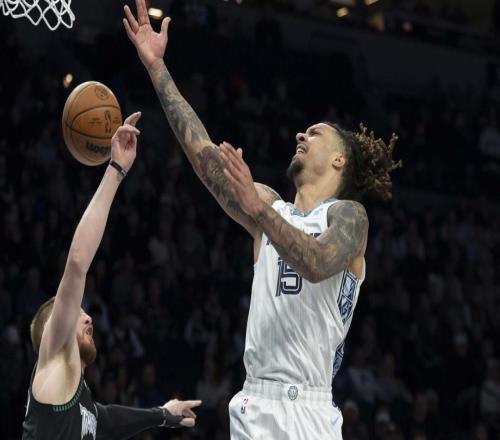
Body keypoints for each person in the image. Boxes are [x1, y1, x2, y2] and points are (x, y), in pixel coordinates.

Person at [123, 2, 400, 438]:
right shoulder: (270, 206)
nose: (301, 135)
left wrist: (259, 211)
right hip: (256, 402)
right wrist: (157, 68)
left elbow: (318, 263)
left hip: (310, 407)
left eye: (315, 133)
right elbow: (202, 156)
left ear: (340, 160)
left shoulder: (348, 216)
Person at [22, 112, 201, 440]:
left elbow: (108, 419)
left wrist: (163, 415)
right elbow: (78, 262)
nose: (88, 317)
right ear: (53, 328)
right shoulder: (54, 353)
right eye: (77, 313)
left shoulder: (80, 400)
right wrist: (116, 170)